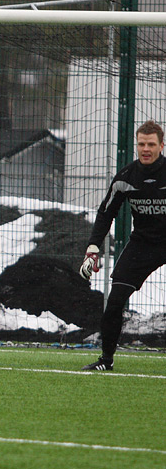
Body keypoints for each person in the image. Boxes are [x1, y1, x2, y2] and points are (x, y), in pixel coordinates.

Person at [79, 120, 166, 371]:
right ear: (136, 146)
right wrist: (93, 249)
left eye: (151, 144)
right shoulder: (126, 177)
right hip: (142, 245)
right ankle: (106, 361)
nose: (145, 149)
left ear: (161, 145)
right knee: (115, 301)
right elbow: (106, 213)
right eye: (141, 144)